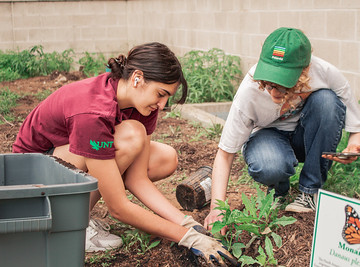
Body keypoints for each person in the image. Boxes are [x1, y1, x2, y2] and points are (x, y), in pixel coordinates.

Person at [13, 42, 236, 266]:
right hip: (33, 181)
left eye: (167, 97)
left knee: (165, 157)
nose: (162, 104)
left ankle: (80, 214)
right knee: (130, 137)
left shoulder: (142, 105)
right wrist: (187, 238)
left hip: (67, 164)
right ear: (137, 78)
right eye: (160, 94)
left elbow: (137, 179)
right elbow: (118, 208)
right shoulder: (93, 111)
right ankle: (72, 225)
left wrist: (186, 223)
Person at [204, 27, 360, 233]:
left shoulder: (325, 73)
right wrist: (217, 210)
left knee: (327, 101)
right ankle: (279, 189)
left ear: (305, 71)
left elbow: (359, 126)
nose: (274, 91)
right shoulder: (248, 92)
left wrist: (352, 147)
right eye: (269, 83)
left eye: (282, 85)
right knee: (270, 165)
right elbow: (225, 154)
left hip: (305, 137)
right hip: (267, 138)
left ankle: (310, 192)